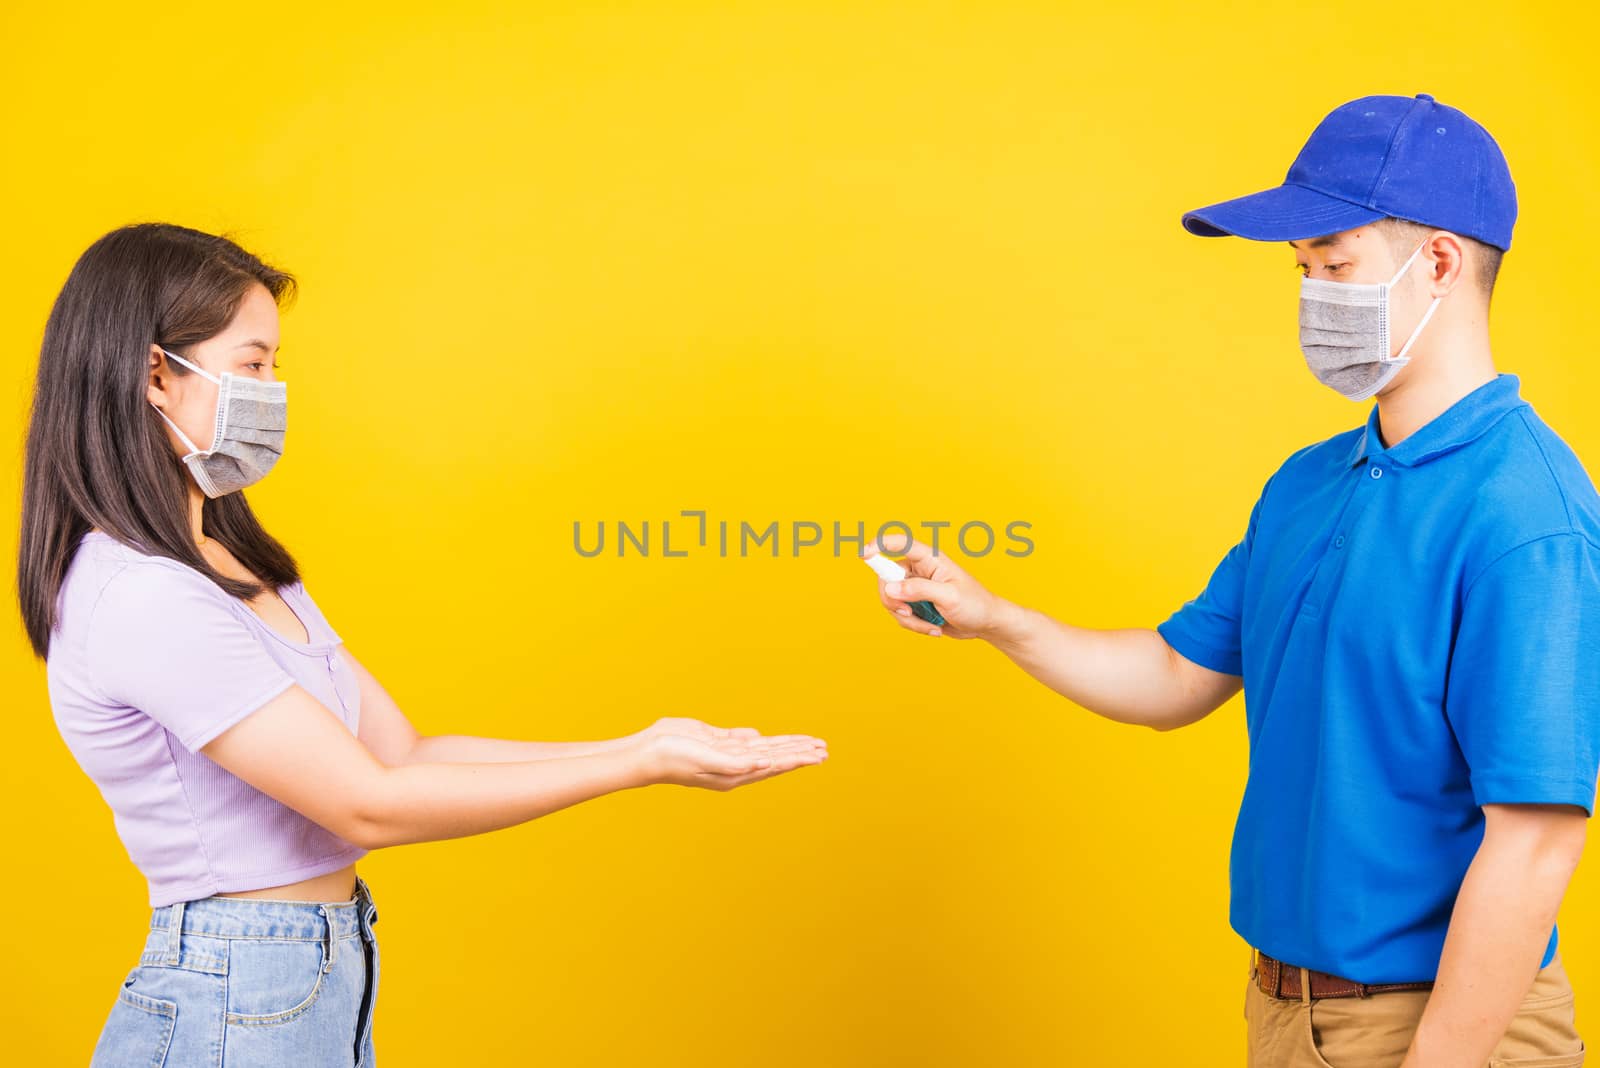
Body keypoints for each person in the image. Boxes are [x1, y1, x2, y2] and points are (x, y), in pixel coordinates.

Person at [867, 93, 1595, 1067]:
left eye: (1334, 266)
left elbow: (1536, 835)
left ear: (1437, 263)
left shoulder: (1525, 512)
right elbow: (1175, 677)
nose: (1312, 296)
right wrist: (995, 618)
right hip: (1286, 1015)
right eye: (1301, 272)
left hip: (1447, 1028)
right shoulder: (1307, 485)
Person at [17, 222, 829, 1068]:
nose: (272, 390)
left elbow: (404, 753)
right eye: (253, 364)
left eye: (275, 368)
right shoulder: (141, 594)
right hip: (235, 995)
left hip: (310, 982)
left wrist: (641, 741)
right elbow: (366, 803)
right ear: (155, 374)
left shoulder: (241, 565)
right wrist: (639, 765)